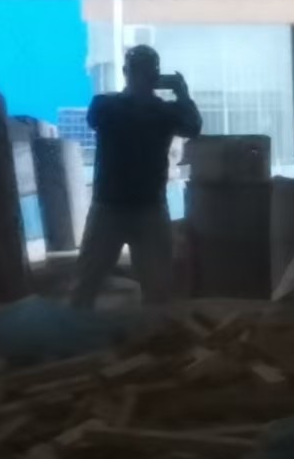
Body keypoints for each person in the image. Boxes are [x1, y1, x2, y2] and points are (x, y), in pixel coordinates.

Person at [70, 45, 202, 309]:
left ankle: (152, 329)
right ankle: (78, 324)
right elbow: (189, 124)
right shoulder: (110, 106)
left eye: (146, 71)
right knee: (87, 283)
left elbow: (193, 127)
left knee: (157, 289)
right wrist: (181, 95)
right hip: (116, 207)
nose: (143, 77)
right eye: (140, 71)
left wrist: (181, 95)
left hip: (139, 207)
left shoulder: (118, 107)